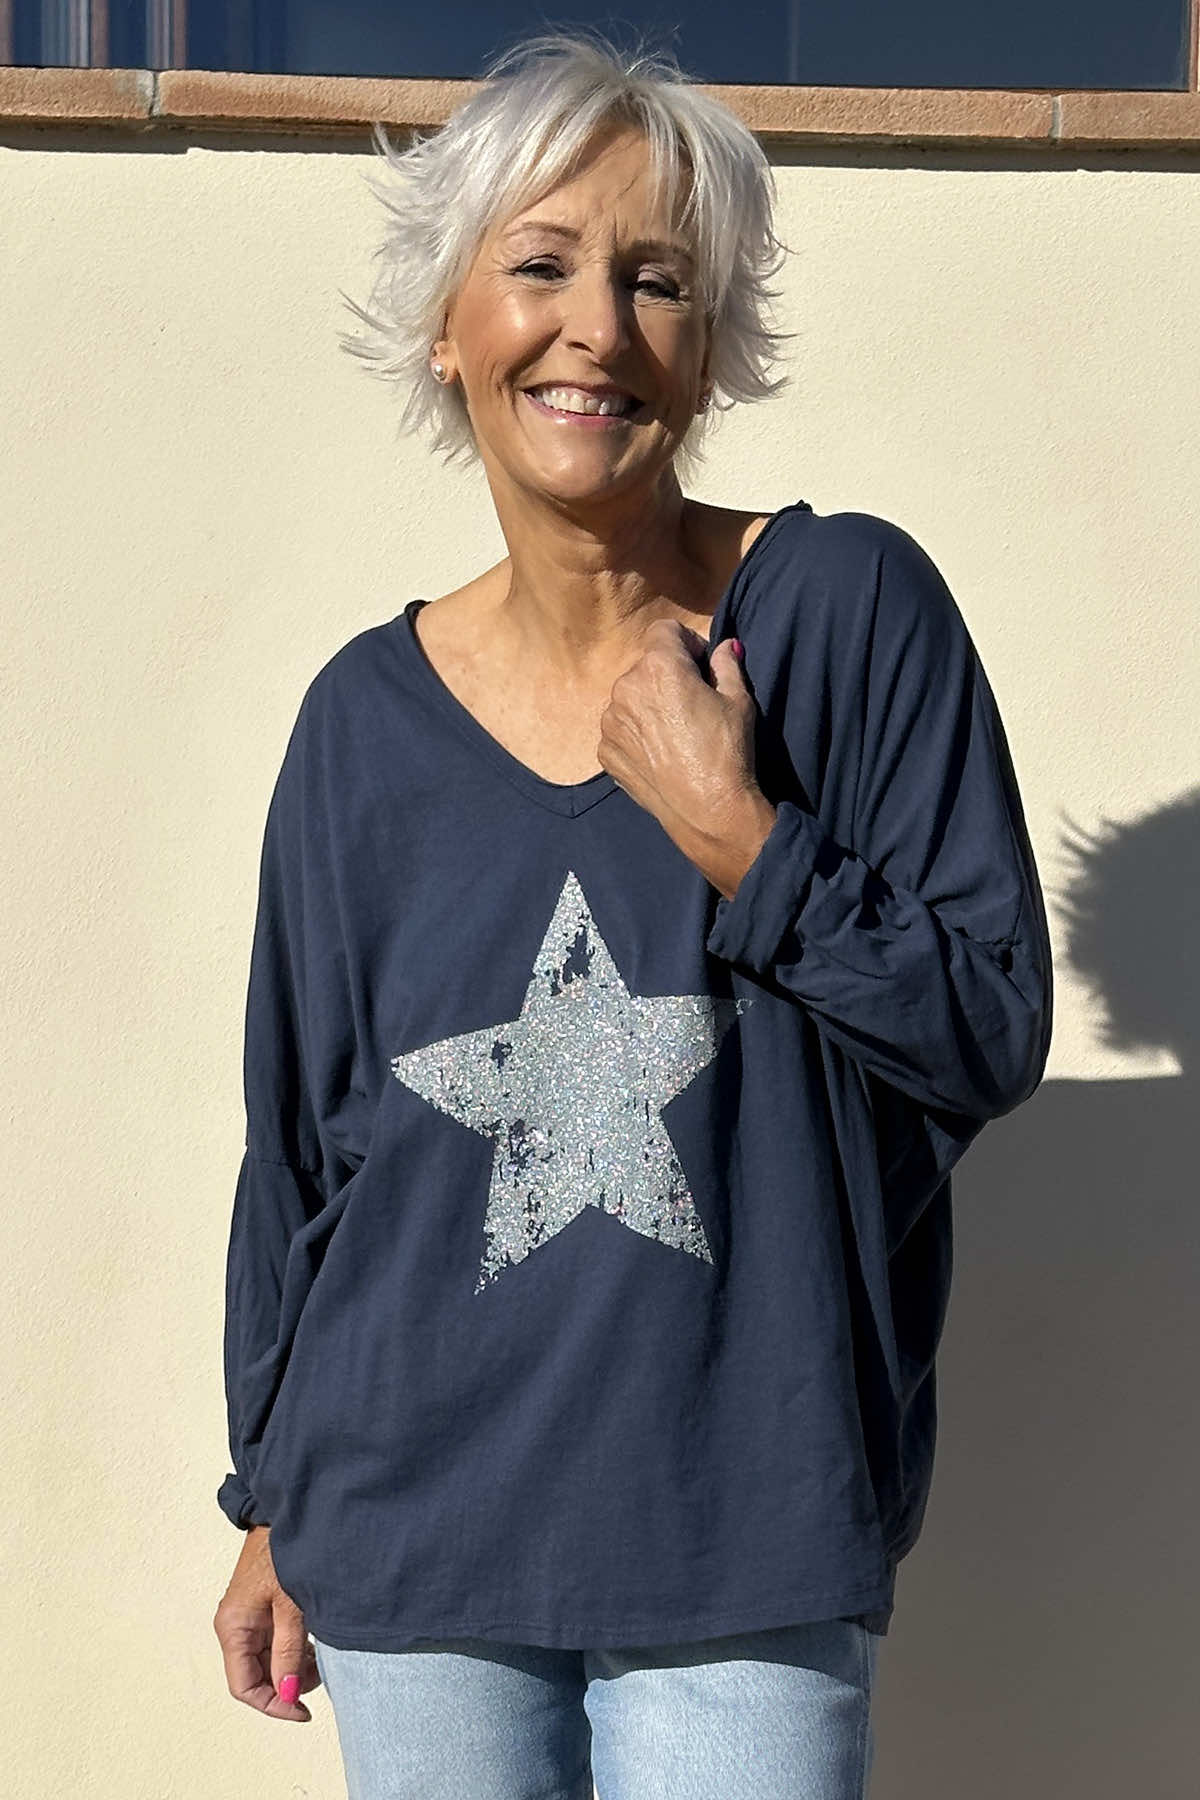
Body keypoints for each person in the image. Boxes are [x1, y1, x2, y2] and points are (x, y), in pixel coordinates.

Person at [211, 29, 1053, 1800]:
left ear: (710, 342)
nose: (597, 327)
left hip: (746, 1530)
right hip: (408, 1543)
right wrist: (268, 1499)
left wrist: (742, 834)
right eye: (541, 266)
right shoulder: (358, 723)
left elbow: (986, 1028)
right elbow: (301, 1149)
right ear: (449, 327)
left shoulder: (843, 613)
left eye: (657, 280)